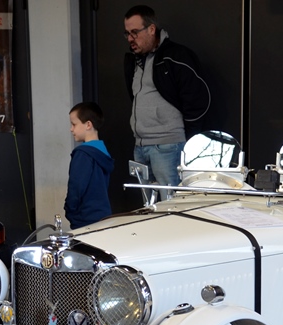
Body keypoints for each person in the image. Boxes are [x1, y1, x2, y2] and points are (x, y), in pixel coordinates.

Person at [123, 5, 210, 194]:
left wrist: (188, 141)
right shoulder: (134, 61)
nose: (130, 38)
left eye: (135, 32)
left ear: (151, 29)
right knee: (149, 205)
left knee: (171, 204)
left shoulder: (177, 56)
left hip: (169, 146)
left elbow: (198, 100)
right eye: (127, 33)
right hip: (140, 146)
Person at [64, 101, 113, 229]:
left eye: (74, 124)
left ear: (88, 124)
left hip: (84, 219)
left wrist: (70, 210)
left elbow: (76, 186)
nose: (71, 129)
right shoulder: (103, 151)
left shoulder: (83, 154)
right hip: (103, 215)